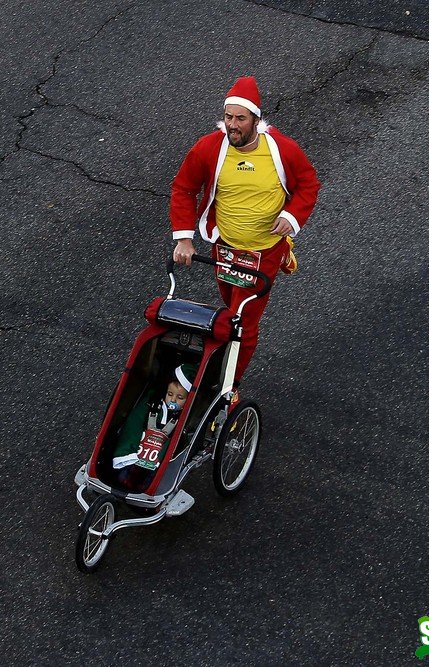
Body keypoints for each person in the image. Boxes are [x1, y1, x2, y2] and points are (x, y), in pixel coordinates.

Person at [170, 76, 320, 399]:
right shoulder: (210, 148)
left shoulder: (282, 151)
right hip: (224, 249)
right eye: (228, 117)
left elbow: (308, 184)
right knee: (230, 308)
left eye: (240, 119)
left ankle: (226, 386)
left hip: (263, 253)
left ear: (256, 119)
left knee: (242, 322)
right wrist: (183, 238)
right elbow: (184, 187)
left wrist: (290, 217)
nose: (232, 126)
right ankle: (221, 361)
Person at [112, 364, 197, 493]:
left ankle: (145, 483)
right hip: (141, 447)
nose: (173, 400)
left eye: (180, 398)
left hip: (159, 454)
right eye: (170, 394)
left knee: (149, 480)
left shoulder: (184, 415)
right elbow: (135, 421)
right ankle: (128, 475)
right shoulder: (154, 403)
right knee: (124, 474)